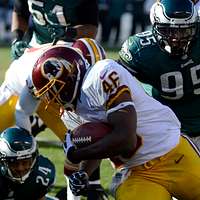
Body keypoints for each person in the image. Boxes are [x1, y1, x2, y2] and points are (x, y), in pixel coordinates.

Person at [29, 45, 200, 199]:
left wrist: (78, 154)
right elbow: (99, 143)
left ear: (69, 77)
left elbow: (126, 139)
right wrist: (83, 173)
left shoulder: (101, 75)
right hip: (136, 174)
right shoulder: (69, 114)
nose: (51, 99)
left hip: (172, 153)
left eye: (54, 90)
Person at [0, 38, 107, 200]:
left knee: (76, 146)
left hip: (55, 92)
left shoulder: (71, 66)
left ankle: (89, 187)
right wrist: (29, 152)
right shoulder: (46, 69)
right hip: (18, 93)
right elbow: (22, 111)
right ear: (73, 63)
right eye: (87, 72)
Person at [119, 0, 200, 147]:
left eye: (185, 30)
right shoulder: (140, 50)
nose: (177, 37)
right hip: (164, 130)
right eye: (169, 30)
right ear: (155, 26)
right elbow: (115, 83)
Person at [10, 0, 98, 60]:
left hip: (70, 47)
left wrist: (68, 32)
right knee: (12, 83)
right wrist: (17, 38)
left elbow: (92, 29)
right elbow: (19, 12)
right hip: (37, 44)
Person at [0, 126, 56, 200]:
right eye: (14, 163)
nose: (20, 168)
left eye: (25, 162)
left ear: (34, 159)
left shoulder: (42, 174)